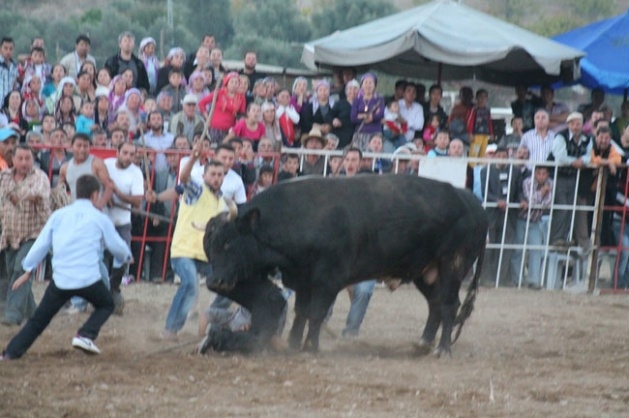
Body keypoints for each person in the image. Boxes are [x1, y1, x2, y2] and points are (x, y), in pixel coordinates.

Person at [0, 174, 132, 360]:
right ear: (95, 195)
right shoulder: (99, 218)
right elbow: (117, 245)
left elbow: (41, 244)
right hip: (88, 279)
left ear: (76, 193)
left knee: (39, 320)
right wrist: (126, 256)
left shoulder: (58, 215)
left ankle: (10, 353)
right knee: (106, 304)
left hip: (61, 280)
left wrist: (27, 269)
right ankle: (85, 335)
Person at [161, 140, 227, 341]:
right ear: (205, 176)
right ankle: (170, 330)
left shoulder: (222, 201)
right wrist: (193, 157)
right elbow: (184, 177)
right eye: (212, 175)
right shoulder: (197, 190)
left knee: (229, 283)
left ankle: (209, 316)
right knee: (190, 285)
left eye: (219, 175)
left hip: (206, 254)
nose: (216, 179)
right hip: (184, 251)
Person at [0, 145, 51, 326]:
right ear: (12, 159)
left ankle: (12, 316)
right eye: (20, 158)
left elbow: (38, 193)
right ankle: (33, 314)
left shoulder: (40, 177)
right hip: (9, 233)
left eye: (27, 158)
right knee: (16, 271)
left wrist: (15, 195)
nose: (24, 163)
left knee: (21, 270)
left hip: (34, 234)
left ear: (33, 160)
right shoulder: (4, 176)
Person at [341, 146, 377, 337]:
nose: (350, 164)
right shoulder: (333, 187)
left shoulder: (370, 190)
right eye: (347, 160)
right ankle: (318, 325)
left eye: (354, 160)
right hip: (337, 254)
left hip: (364, 254)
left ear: (361, 162)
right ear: (341, 162)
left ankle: (351, 332)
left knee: (363, 290)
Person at [103, 142, 144, 310]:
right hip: (103, 220)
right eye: (125, 153)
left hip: (122, 221)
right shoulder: (106, 164)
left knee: (123, 257)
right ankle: (101, 292)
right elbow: (96, 181)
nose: (128, 157)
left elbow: (137, 200)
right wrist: (106, 195)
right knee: (100, 257)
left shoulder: (136, 173)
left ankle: (113, 288)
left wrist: (118, 194)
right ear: (117, 152)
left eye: (131, 154)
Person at [549, 111, 593, 250]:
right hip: (559, 176)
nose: (575, 126)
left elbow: (589, 156)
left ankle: (565, 237)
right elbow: (560, 158)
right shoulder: (560, 136)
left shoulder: (587, 138)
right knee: (561, 207)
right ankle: (556, 238)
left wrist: (583, 161)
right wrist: (576, 162)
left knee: (570, 208)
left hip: (574, 177)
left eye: (578, 123)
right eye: (573, 123)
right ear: (568, 125)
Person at [514, 166, 553, 289]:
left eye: (544, 173)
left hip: (536, 220)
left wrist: (537, 200)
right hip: (521, 219)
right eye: (538, 173)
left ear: (547, 175)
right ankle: (517, 279)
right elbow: (529, 199)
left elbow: (547, 203)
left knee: (536, 250)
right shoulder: (528, 182)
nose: (541, 176)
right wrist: (541, 193)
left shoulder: (550, 183)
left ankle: (533, 280)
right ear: (534, 174)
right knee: (518, 250)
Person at [198, 72, 246, 145]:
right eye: (232, 82)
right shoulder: (219, 93)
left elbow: (242, 114)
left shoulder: (241, 97)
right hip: (215, 127)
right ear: (227, 82)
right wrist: (207, 117)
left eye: (236, 82)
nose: (234, 84)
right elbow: (202, 103)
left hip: (230, 129)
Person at [350, 73, 384, 151]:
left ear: (374, 85)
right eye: (365, 83)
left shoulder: (379, 99)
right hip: (359, 133)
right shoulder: (357, 100)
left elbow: (380, 115)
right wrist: (370, 116)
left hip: (375, 134)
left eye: (370, 83)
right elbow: (353, 118)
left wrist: (361, 115)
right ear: (361, 85)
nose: (368, 85)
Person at [467, 89, 493, 162]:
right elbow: (470, 121)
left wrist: (491, 133)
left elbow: (489, 122)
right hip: (476, 135)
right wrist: (470, 133)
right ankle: (471, 170)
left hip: (485, 135)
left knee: (482, 154)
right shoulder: (473, 109)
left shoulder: (487, 110)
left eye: (485, 97)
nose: (482, 99)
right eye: (480, 97)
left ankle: (480, 170)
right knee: (474, 153)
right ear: (476, 98)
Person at [0, 37, 18, 105]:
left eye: (11, 49)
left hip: (8, 104)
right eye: (5, 48)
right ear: (0, 49)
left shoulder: (14, 66)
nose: (8, 51)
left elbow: (14, 85)